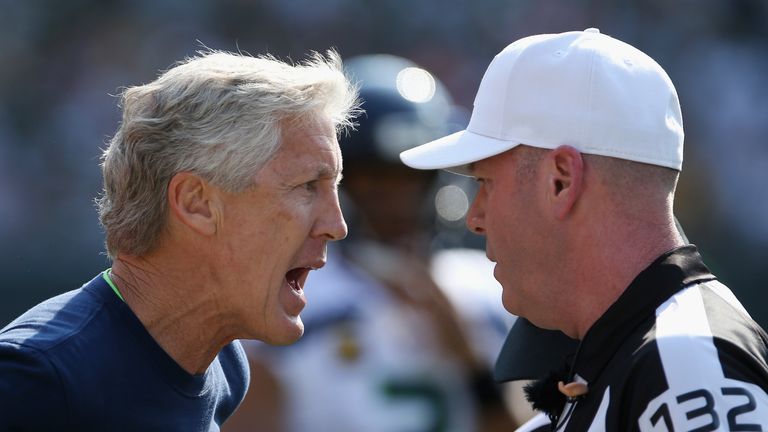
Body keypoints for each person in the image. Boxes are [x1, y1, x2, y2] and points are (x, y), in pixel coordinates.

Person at [400, 28, 768, 430]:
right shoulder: (647, 363)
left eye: (486, 184)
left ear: (560, 180)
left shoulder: (686, 363)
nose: (474, 217)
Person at [0, 49, 359, 430]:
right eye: (307, 186)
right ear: (197, 203)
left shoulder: (224, 366)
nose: (337, 225)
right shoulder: (33, 381)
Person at [225, 54, 525, 431]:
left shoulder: (494, 293)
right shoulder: (290, 301)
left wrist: (472, 365)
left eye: (410, 182)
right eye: (375, 184)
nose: (397, 205)